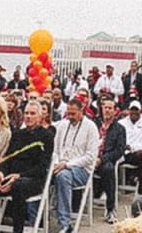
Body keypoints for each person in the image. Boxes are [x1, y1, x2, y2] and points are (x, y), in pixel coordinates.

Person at [0, 100, 54, 233]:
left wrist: (18, 176)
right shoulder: (17, 134)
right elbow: (7, 159)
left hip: (32, 180)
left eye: (32, 114)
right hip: (9, 177)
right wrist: (1, 173)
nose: (28, 116)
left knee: (18, 186)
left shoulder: (47, 136)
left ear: (40, 116)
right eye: (26, 113)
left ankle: (18, 230)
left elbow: (41, 167)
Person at [51, 99, 100, 233]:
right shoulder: (62, 126)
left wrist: (66, 164)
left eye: (73, 114)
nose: (70, 117)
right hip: (60, 164)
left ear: (81, 111)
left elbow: (90, 157)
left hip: (82, 170)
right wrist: (56, 163)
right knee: (39, 173)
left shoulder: (91, 127)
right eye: (68, 114)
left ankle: (65, 223)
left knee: (62, 176)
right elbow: (55, 150)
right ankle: (35, 218)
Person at [93, 98, 127, 224]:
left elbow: (119, 151)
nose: (107, 110)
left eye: (110, 108)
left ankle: (110, 208)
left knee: (108, 169)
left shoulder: (120, 129)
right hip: (89, 157)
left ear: (115, 111)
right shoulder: (94, 124)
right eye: (105, 107)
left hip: (105, 160)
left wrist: (102, 159)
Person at [121, 100, 142, 196]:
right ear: (129, 110)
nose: (134, 112)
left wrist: (131, 147)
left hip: (137, 154)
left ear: (140, 111)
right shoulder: (121, 123)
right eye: (132, 109)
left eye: (136, 110)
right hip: (122, 153)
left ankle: (141, 186)